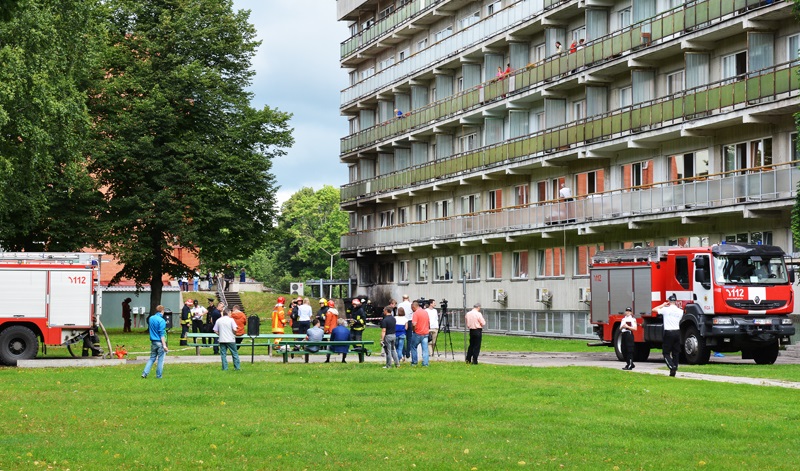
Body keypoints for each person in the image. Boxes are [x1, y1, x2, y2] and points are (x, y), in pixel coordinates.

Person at [653, 293, 683, 377]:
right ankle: (674, 368)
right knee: (676, 352)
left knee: (666, 352)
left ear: (669, 301)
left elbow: (654, 309)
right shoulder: (680, 311)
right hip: (677, 332)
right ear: (676, 301)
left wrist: (663, 305)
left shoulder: (666, 309)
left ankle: (671, 366)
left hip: (668, 332)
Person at [141, 305, 169, 379]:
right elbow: (162, 334)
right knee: (160, 359)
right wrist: (164, 346)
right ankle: (159, 376)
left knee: (152, 358)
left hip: (153, 341)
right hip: (160, 342)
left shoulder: (151, 318)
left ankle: (144, 373)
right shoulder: (162, 320)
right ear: (162, 311)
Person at [410, 300, 430, 367]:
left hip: (418, 333)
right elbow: (428, 322)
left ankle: (414, 362)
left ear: (414, 307)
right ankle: (425, 363)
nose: (412, 310)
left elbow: (414, 324)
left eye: (412, 308)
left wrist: (414, 330)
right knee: (425, 349)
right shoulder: (425, 312)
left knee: (413, 347)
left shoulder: (416, 313)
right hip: (425, 333)